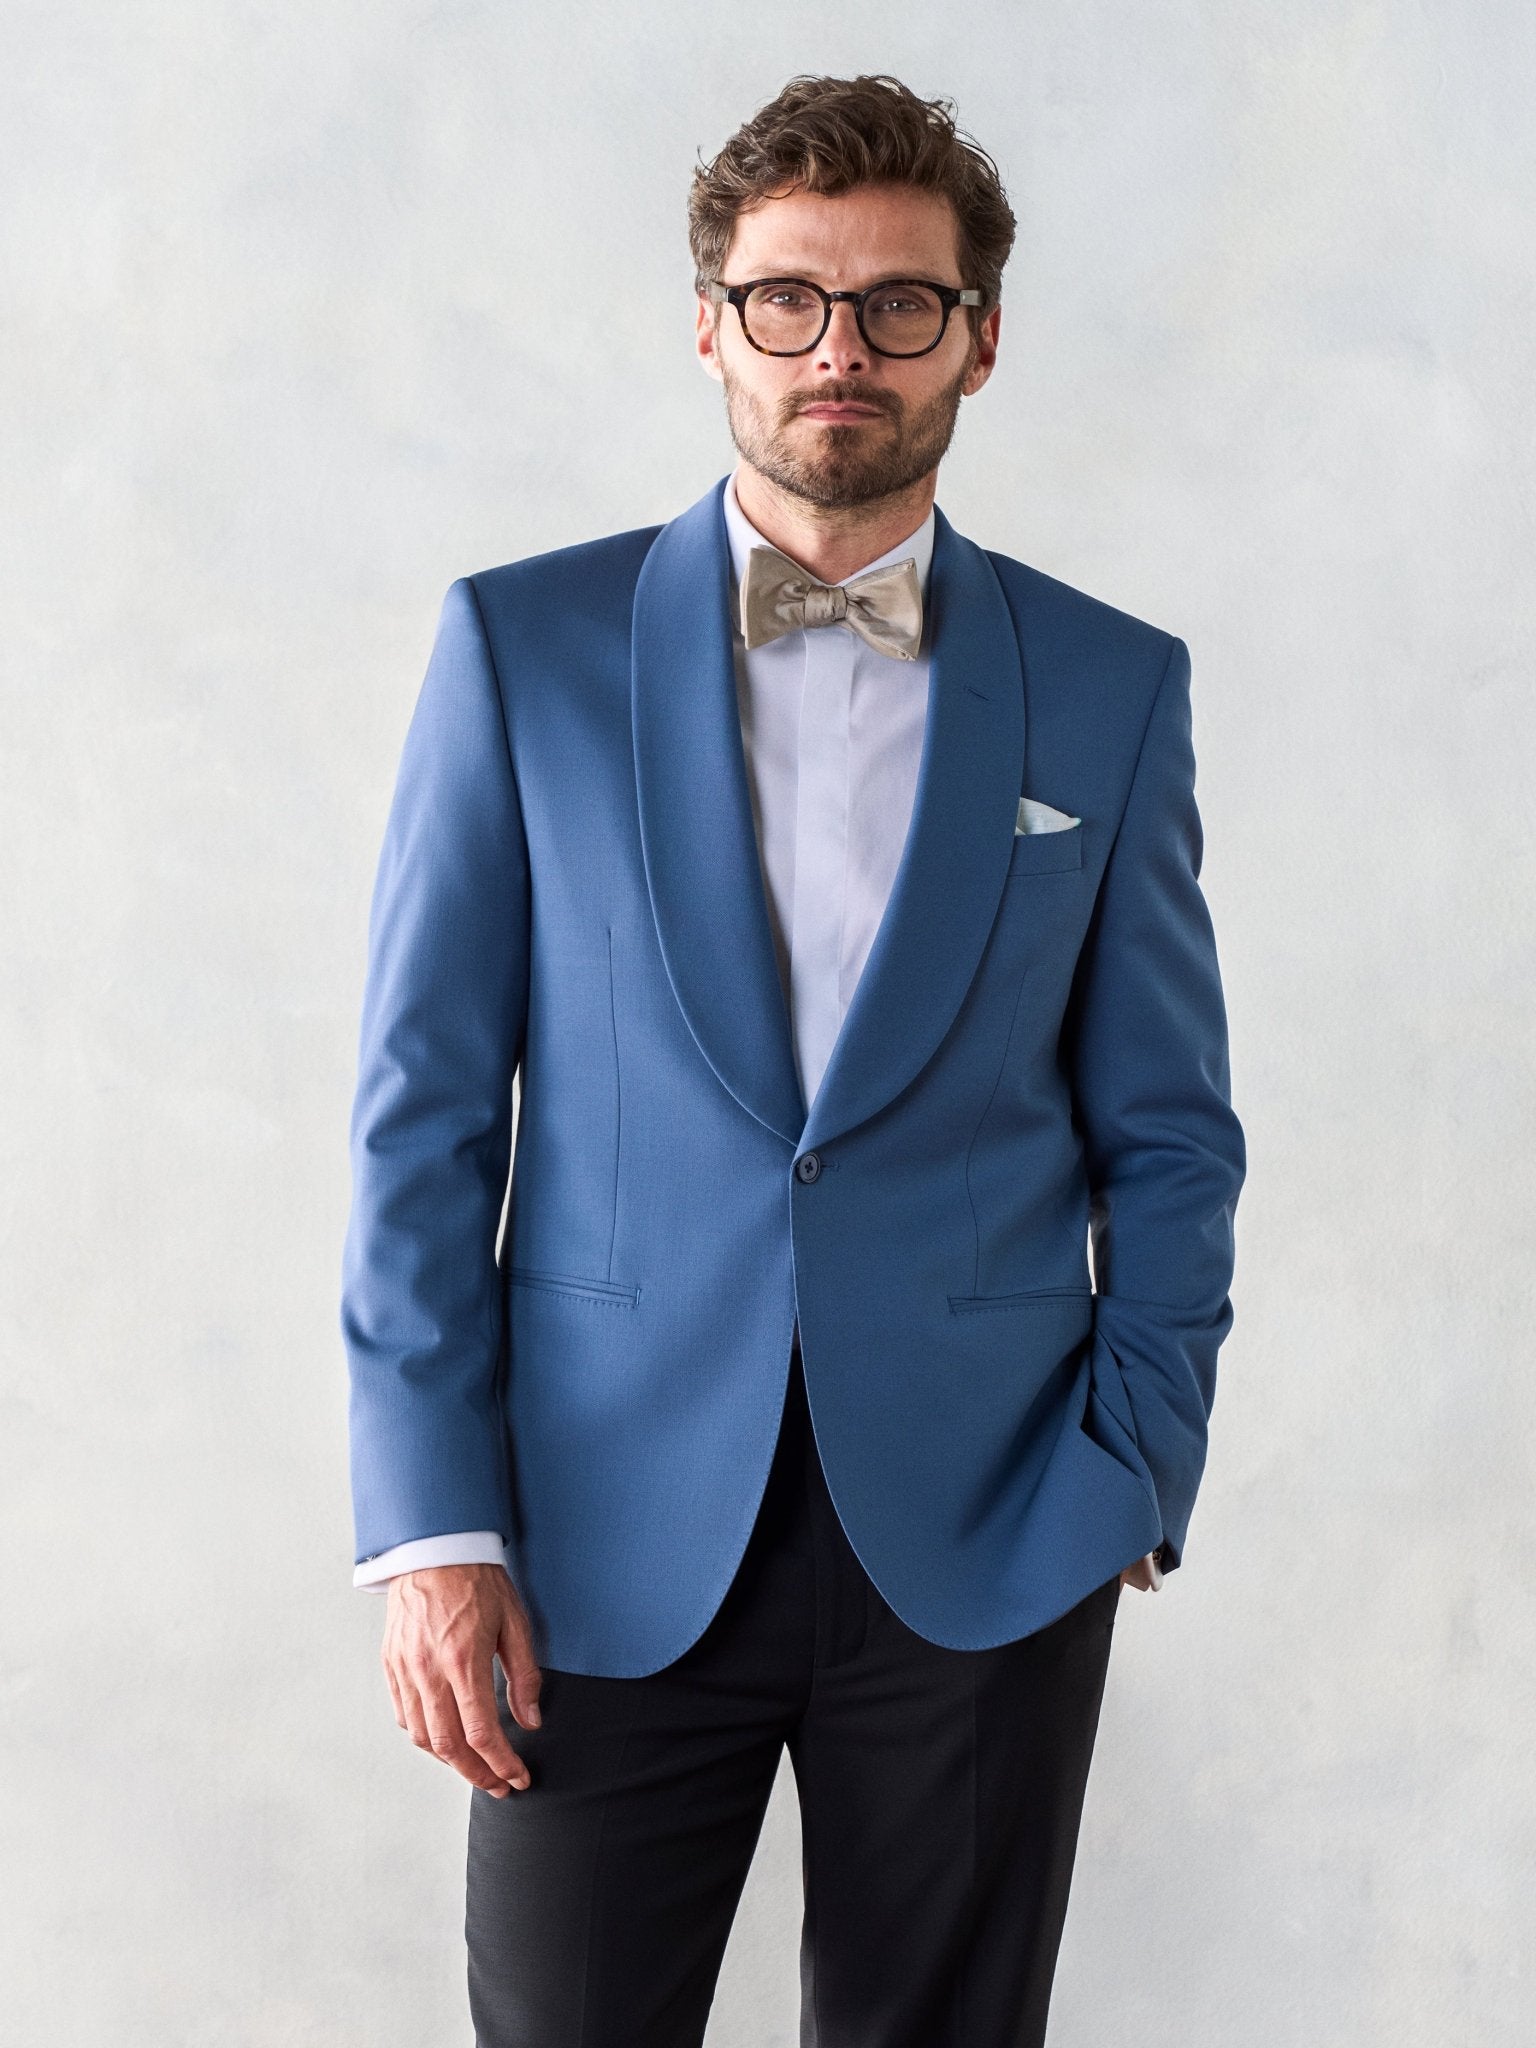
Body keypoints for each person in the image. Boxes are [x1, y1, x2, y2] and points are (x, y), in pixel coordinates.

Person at [341, 70, 1246, 2048]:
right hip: (595, 1532)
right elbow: (424, 1118)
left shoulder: (1110, 686)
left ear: (979, 340)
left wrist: (1134, 1465)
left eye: (901, 304)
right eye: (789, 298)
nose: (842, 348)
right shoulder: (521, 650)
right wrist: (434, 1525)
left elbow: (1172, 1130)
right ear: (711, 325)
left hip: (991, 1536)